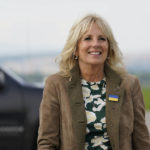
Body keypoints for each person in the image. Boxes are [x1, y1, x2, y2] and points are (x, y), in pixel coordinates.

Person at [37, 14, 150, 150]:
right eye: (88, 38)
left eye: (102, 39)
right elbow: (47, 144)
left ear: (109, 47)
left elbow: (142, 141)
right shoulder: (56, 85)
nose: (95, 44)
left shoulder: (130, 84)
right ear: (75, 48)